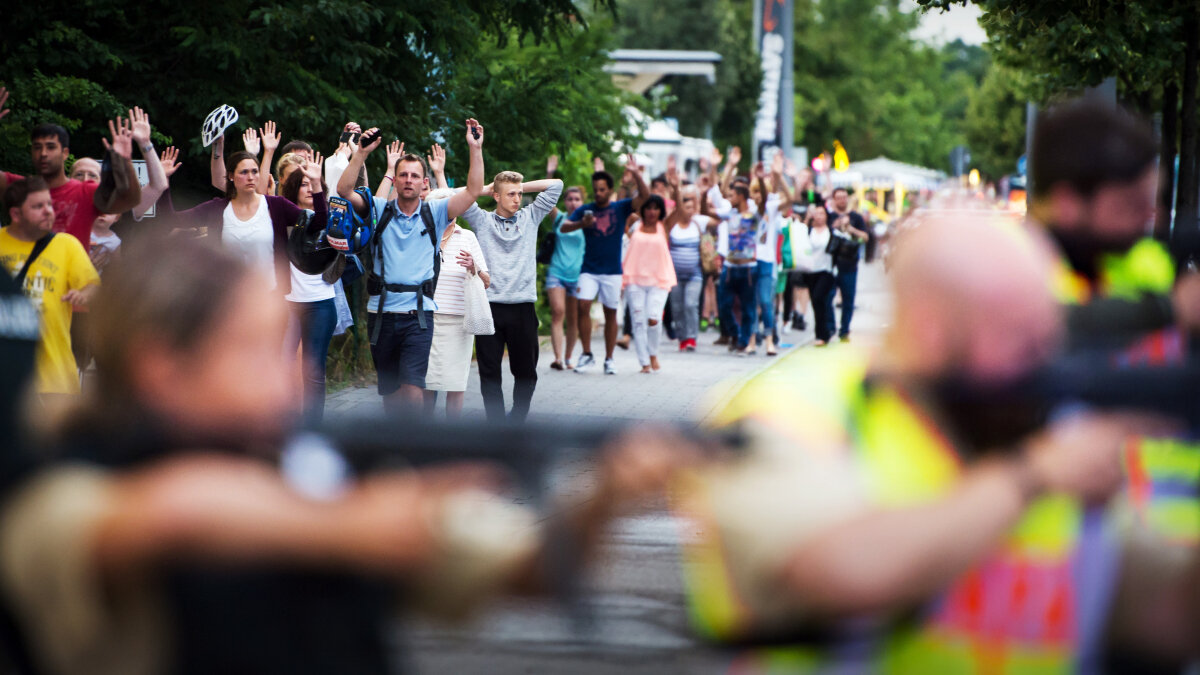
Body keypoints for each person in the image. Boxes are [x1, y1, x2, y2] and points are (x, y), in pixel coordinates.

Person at [0, 237, 686, 675]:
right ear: (162, 367)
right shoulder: (60, 487)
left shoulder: (311, 471)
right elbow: (174, 513)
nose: (292, 372)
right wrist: (348, 523)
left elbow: (527, 573)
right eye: (256, 349)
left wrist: (605, 497)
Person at [681, 217, 1192, 672]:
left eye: (1049, 339)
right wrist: (1029, 476)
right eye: (1020, 340)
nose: (1045, 363)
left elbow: (1164, 622)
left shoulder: (1038, 429)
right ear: (931, 331)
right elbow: (840, 572)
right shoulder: (798, 409)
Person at [336, 121, 484, 412]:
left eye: (415, 176)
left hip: (419, 315)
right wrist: (361, 154)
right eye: (403, 174)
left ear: (423, 182)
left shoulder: (436, 212)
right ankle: (396, 439)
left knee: (414, 390)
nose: (408, 180)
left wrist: (475, 148)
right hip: (381, 313)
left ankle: (414, 441)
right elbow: (344, 190)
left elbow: (474, 191)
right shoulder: (379, 209)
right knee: (391, 396)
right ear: (395, 179)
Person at [462, 170, 562, 422]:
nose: (517, 199)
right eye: (510, 194)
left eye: (519, 194)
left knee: (526, 371)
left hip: (522, 307)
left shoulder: (531, 216)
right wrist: (484, 190)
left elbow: (556, 185)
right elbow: (452, 197)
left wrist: (520, 186)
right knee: (489, 372)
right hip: (489, 307)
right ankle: (496, 426)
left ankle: (517, 420)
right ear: (496, 196)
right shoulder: (482, 220)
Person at [164, 149, 326, 294]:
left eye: (255, 171)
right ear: (231, 176)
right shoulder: (217, 209)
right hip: (229, 301)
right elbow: (171, 220)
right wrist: (163, 181)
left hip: (270, 299)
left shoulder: (277, 206)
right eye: (244, 172)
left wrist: (316, 184)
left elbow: (318, 224)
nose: (250, 177)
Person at [0, 178, 99, 397]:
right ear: (16, 214)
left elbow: (94, 286)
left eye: (49, 204)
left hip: (54, 381)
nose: (48, 211)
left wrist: (84, 294)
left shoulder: (66, 244)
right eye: (38, 206)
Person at [0, 102, 142, 248]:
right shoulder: (21, 189)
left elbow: (130, 200)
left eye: (51, 147)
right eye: (37, 147)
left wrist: (126, 161)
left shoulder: (86, 192)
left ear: (65, 153)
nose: (43, 153)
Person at [562, 155, 649, 375]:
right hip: (589, 270)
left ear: (610, 190)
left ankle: (609, 359)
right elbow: (564, 227)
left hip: (612, 271)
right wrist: (582, 223)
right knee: (583, 306)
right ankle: (586, 354)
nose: (598, 193)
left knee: (611, 312)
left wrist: (636, 174)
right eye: (596, 190)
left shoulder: (621, 208)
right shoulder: (587, 210)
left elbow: (645, 198)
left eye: (602, 189)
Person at [278, 160, 339, 423]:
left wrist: (316, 183)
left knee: (312, 371)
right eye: (303, 184)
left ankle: (312, 426)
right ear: (293, 188)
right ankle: (287, 422)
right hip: (287, 304)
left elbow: (322, 218)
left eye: (312, 185)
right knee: (283, 364)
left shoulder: (325, 220)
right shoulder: (282, 218)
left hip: (320, 304)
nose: (308, 188)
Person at [423, 196, 489, 419]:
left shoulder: (467, 236)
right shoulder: (421, 234)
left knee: (456, 383)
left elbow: (487, 281)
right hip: (426, 318)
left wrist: (474, 267)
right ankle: (424, 431)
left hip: (459, 322)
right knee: (426, 381)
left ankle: (452, 432)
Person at [707, 172, 767, 355]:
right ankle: (734, 333)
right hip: (730, 267)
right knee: (724, 305)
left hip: (748, 269)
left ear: (741, 196)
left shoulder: (754, 215)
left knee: (748, 308)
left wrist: (761, 179)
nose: (729, 199)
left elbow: (764, 201)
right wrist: (703, 195)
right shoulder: (729, 214)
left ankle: (743, 341)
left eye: (732, 196)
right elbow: (706, 211)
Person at [622, 195, 677, 373]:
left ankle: (653, 353)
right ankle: (644, 362)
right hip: (634, 279)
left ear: (660, 210)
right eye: (648, 208)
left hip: (658, 279)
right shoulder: (635, 225)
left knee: (654, 318)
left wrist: (676, 189)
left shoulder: (663, 226)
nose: (652, 212)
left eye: (656, 208)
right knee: (638, 321)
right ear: (643, 209)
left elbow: (680, 212)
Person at [665, 184, 715, 351]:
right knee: (677, 307)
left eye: (692, 208)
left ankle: (692, 337)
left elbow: (718, 221)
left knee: (690, 304)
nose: (689, 211)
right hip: (675, 275)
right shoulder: (673, 225)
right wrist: (675, 189)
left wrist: (705, 198)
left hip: (695, 274)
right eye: (686, 208)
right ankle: (682, 337)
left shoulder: (698, 223)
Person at [545, 182, 586, 370]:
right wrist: (550, 175)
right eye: (569, 199)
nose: (573, 202)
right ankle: (558, 358)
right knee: (558, 311)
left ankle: (569, 358)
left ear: (582, 202)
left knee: (573, 318)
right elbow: (547, 199)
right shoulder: (559, 218)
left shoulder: (586, 222)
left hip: (577, 275)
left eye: (577, 199)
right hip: (557, 272)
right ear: (565, 202)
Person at [827, 187, 870, 342]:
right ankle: (830, 326)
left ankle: (844, 330)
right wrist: (836, 224)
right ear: (834, 200)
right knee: (827, 297)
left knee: (848, 299)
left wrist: (851, 228)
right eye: (838, 197)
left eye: (844, 197)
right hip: (831, 264)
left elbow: (865, 237)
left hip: (850, 263)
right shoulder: (829, 217)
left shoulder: (856, 217)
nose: (842, 200)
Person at [799, 203, 837, 346]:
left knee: (819, 297)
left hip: (826, 270)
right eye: (817, 214)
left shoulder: (831, 232)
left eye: (822, 214)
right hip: (810, 270)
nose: (819, 217)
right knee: (816, 302)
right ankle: (821, 333)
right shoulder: (808, 231)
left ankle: (824, 333)